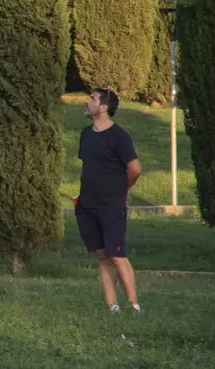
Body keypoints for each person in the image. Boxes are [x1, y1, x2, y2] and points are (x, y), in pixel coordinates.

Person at [75, 87, 142, 312]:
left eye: (92, 99)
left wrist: (122, 191)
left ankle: (134, 305)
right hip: (87, 204)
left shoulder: (119, 136)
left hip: (111, 204)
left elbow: (135, 169)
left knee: (117, 255)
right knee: (102, 255)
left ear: (103, 107)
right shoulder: (86, 134)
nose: (87, 101)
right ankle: (112, 306)